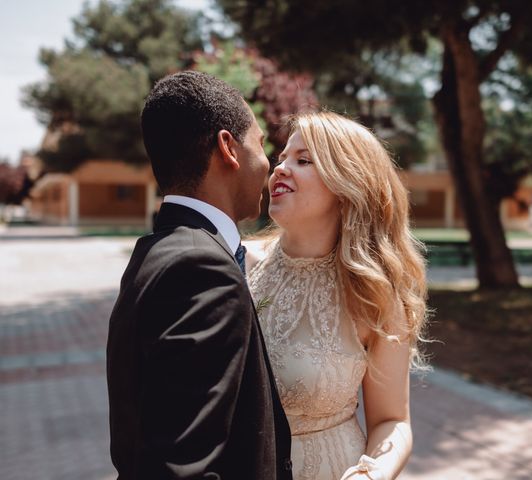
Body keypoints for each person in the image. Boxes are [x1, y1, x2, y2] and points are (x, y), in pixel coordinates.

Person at [106, 70, 292, 480]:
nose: (269, 163)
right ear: (228, 147)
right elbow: (182, 466)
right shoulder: (203, 270)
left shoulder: (154, 253)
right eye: (261, 144)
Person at [247, 112, 428, 480]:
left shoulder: (374, 293)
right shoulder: (237, 265)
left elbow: (393, 421)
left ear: (346, 184)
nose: (279, 168)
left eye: (303, 160)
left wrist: (371, 475)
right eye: (282, 157)